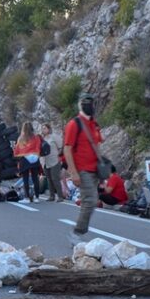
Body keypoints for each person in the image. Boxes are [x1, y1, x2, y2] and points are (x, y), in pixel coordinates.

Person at [64, 94, 103, 244]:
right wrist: (73, 173)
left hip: (95, 170)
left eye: (91, 103)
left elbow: (97, 146)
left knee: (91, 201)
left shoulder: (95, 124)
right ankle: (76, 233)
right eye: (86, 103)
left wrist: (104, 168)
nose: (89, 105)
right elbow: (67, 149)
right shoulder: (74, 124)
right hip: (82, 169)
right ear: (80, 105)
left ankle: (77, 232)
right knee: (90, 200)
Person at [13, 122, 42, 203]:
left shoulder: (21, 138)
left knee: (25, 179)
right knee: (35, 179)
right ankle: (37, 198)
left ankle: (27, 198)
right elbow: (38, 148)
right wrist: (35, 155)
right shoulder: (36, 137)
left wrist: (23, 154)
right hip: (35, 159)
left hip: (25, 160)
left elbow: (16, 151)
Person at [40, 123, 64, 202]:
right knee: (49, 179)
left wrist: (58, 155)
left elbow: (61, 146)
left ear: (49, 129)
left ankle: (60, 196)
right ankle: (51, 196)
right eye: (42, 128)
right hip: (45, 162)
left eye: (45, 128)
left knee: (55, 178)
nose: (43, 130)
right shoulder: (42, 139)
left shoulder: (54, 137)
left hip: (54, 161)